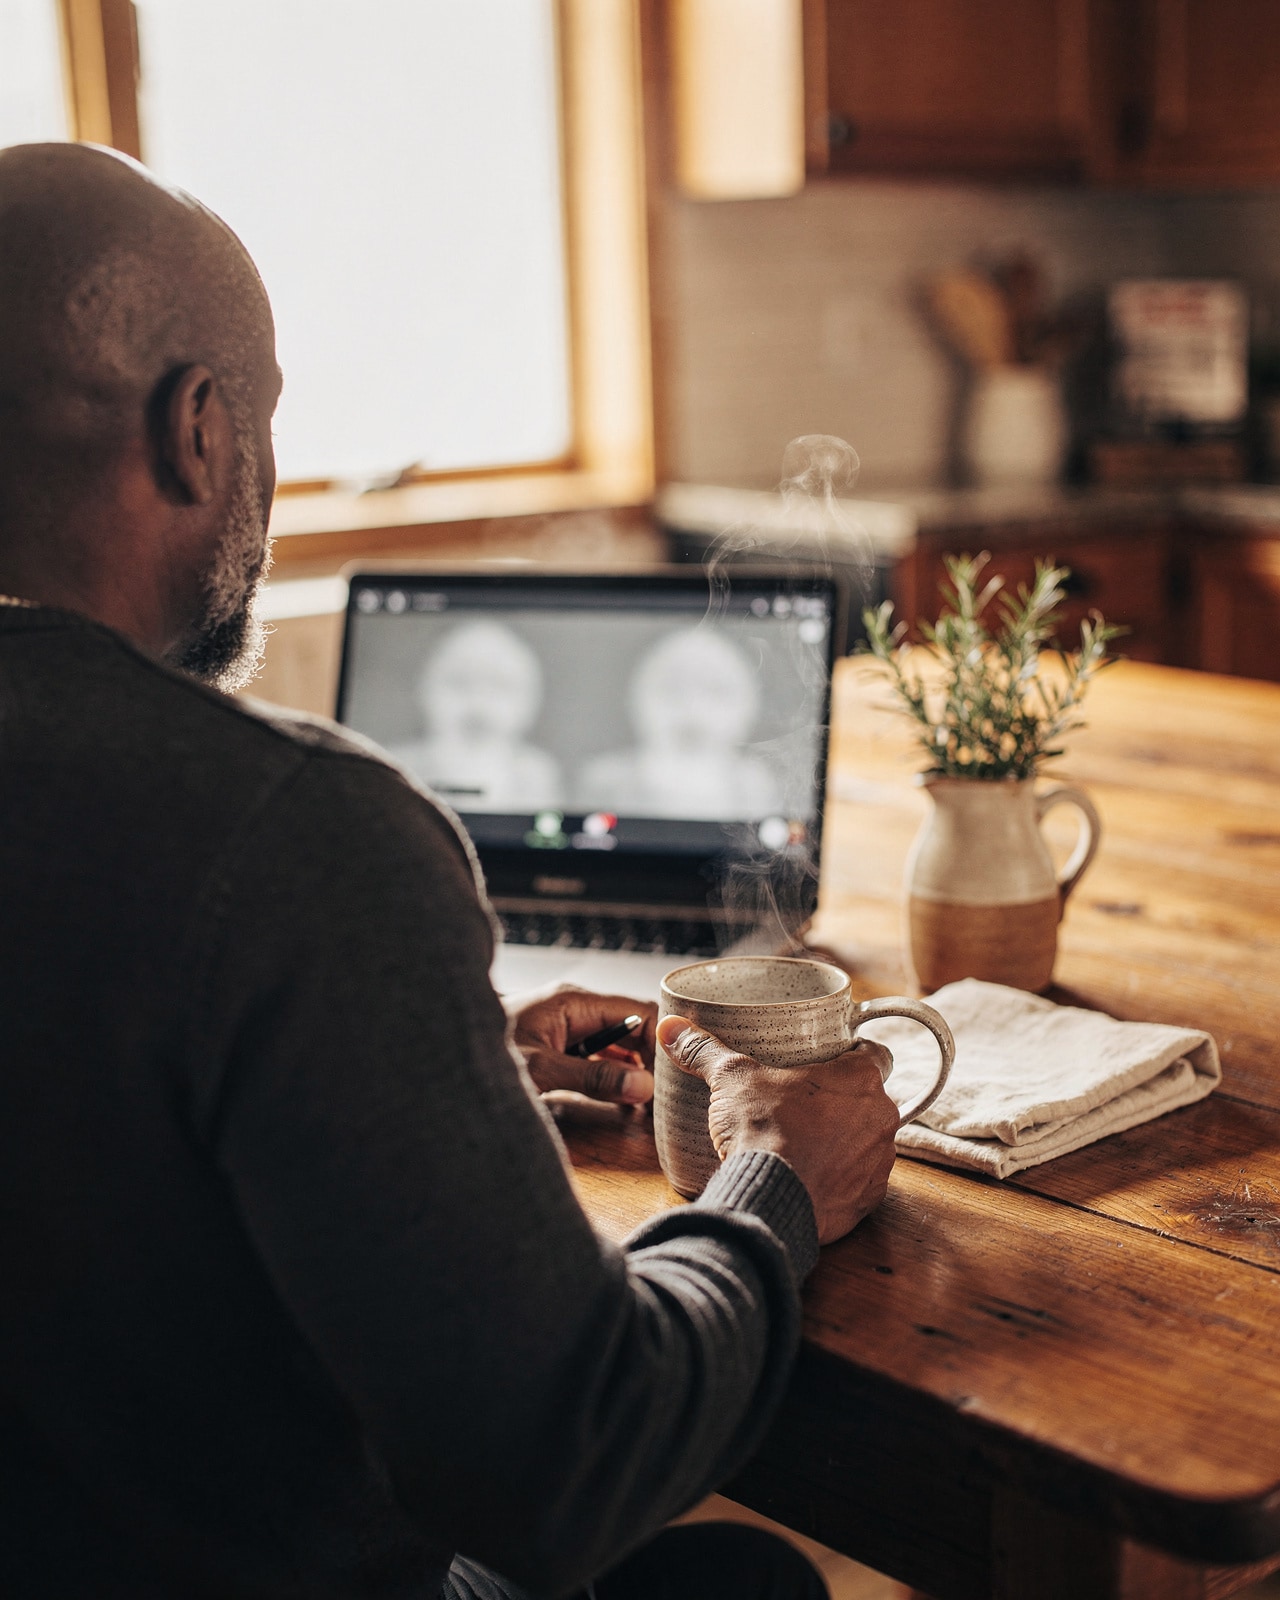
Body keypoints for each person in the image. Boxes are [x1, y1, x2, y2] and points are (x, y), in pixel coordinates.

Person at [0, 142, 900, 1600]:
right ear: (201, 431)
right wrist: (775, 1179)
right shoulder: (300, 836)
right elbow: (570, 1462)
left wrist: (421, 1064)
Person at [577, 626, 782, 821]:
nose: (693, 711)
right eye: (671, 689)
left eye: (717, 691)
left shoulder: (756, 789)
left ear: (750, 704)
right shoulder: (606, 783)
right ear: (634, 697)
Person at [388, 619, 564, 812]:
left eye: (499, 685)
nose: (478, 704)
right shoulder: (392, 769)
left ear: (531, 700)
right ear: (423, 691)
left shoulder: (539, 777)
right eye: (459, 682)